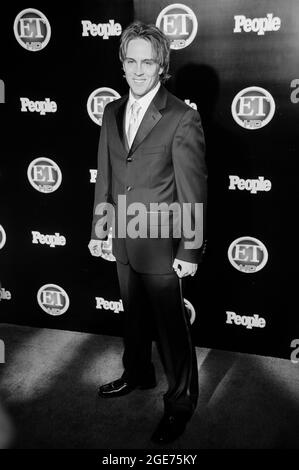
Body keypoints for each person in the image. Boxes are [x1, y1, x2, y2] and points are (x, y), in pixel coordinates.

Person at [88, 21, 207, 444]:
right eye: (131, 61)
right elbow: (106, 175)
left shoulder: (182, 117)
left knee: (172, 330)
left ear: (162, 66)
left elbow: (193, 190)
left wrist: (189, 250)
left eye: (148, 62)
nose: (139, 70)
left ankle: (180, 403)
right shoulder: (111, 111)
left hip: (161, 242)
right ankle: (136, 374)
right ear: (122, 63)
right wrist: (101, 229)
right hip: (121, 237)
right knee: (133, 319)